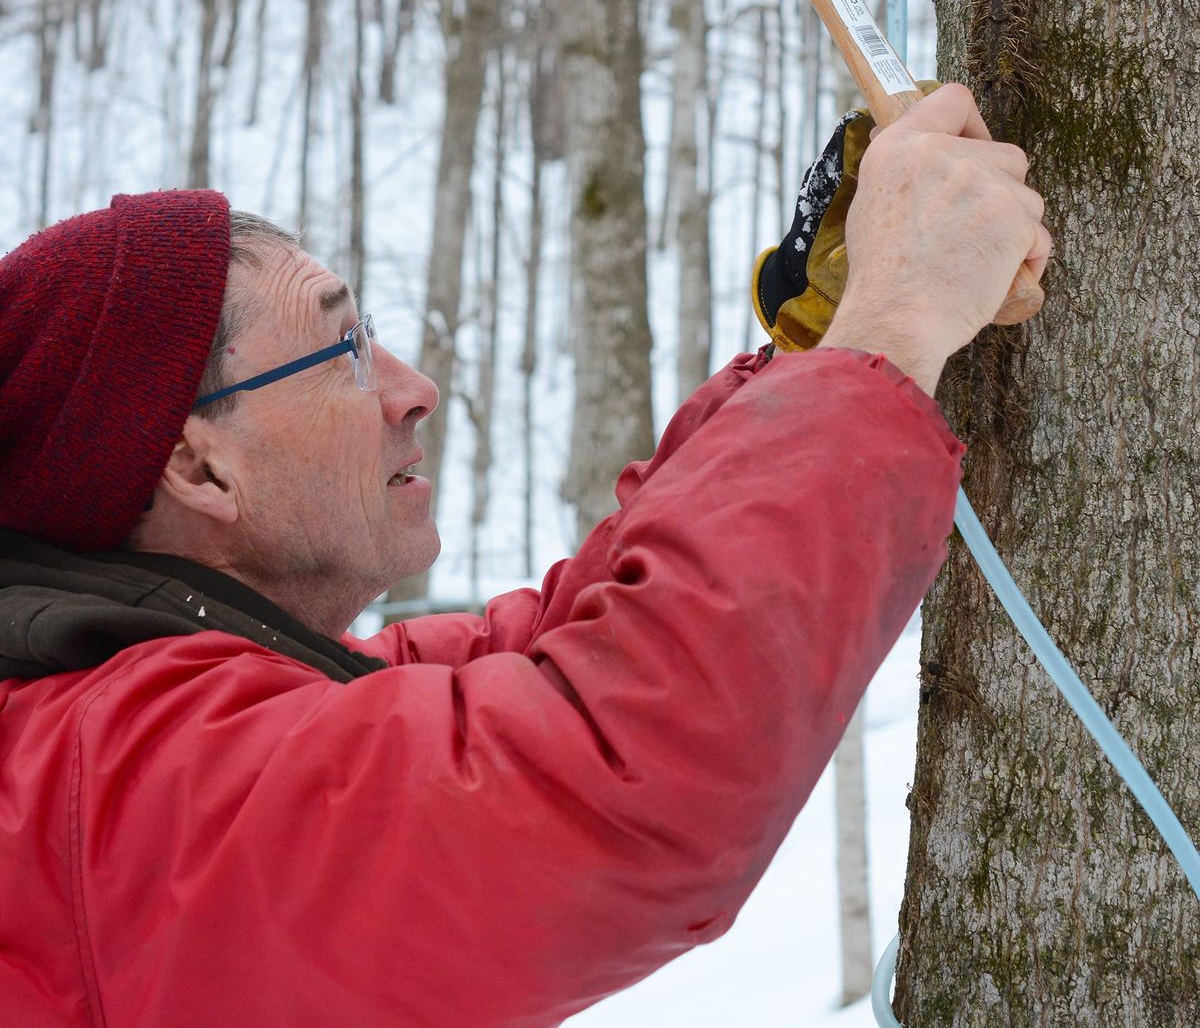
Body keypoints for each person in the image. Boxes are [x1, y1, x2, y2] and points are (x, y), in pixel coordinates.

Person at [0, 84, 1049, 1026]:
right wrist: (892, 333)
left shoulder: (174, 699)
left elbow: (563, 646)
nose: (414, 390)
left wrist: (817, 360)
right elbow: (606, 770)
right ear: (199, 468)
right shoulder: (121, 786)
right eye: (346, 352)